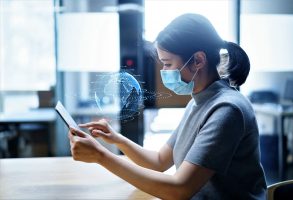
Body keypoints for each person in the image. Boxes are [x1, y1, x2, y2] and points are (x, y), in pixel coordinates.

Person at [68, 13, 267, 199]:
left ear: (198, 60)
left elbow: (180, 189)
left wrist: (101, 156)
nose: (163, 72)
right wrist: (116, 139)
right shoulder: (198, 102)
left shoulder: (227, 109)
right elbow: (159, 161)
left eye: (168, 64)